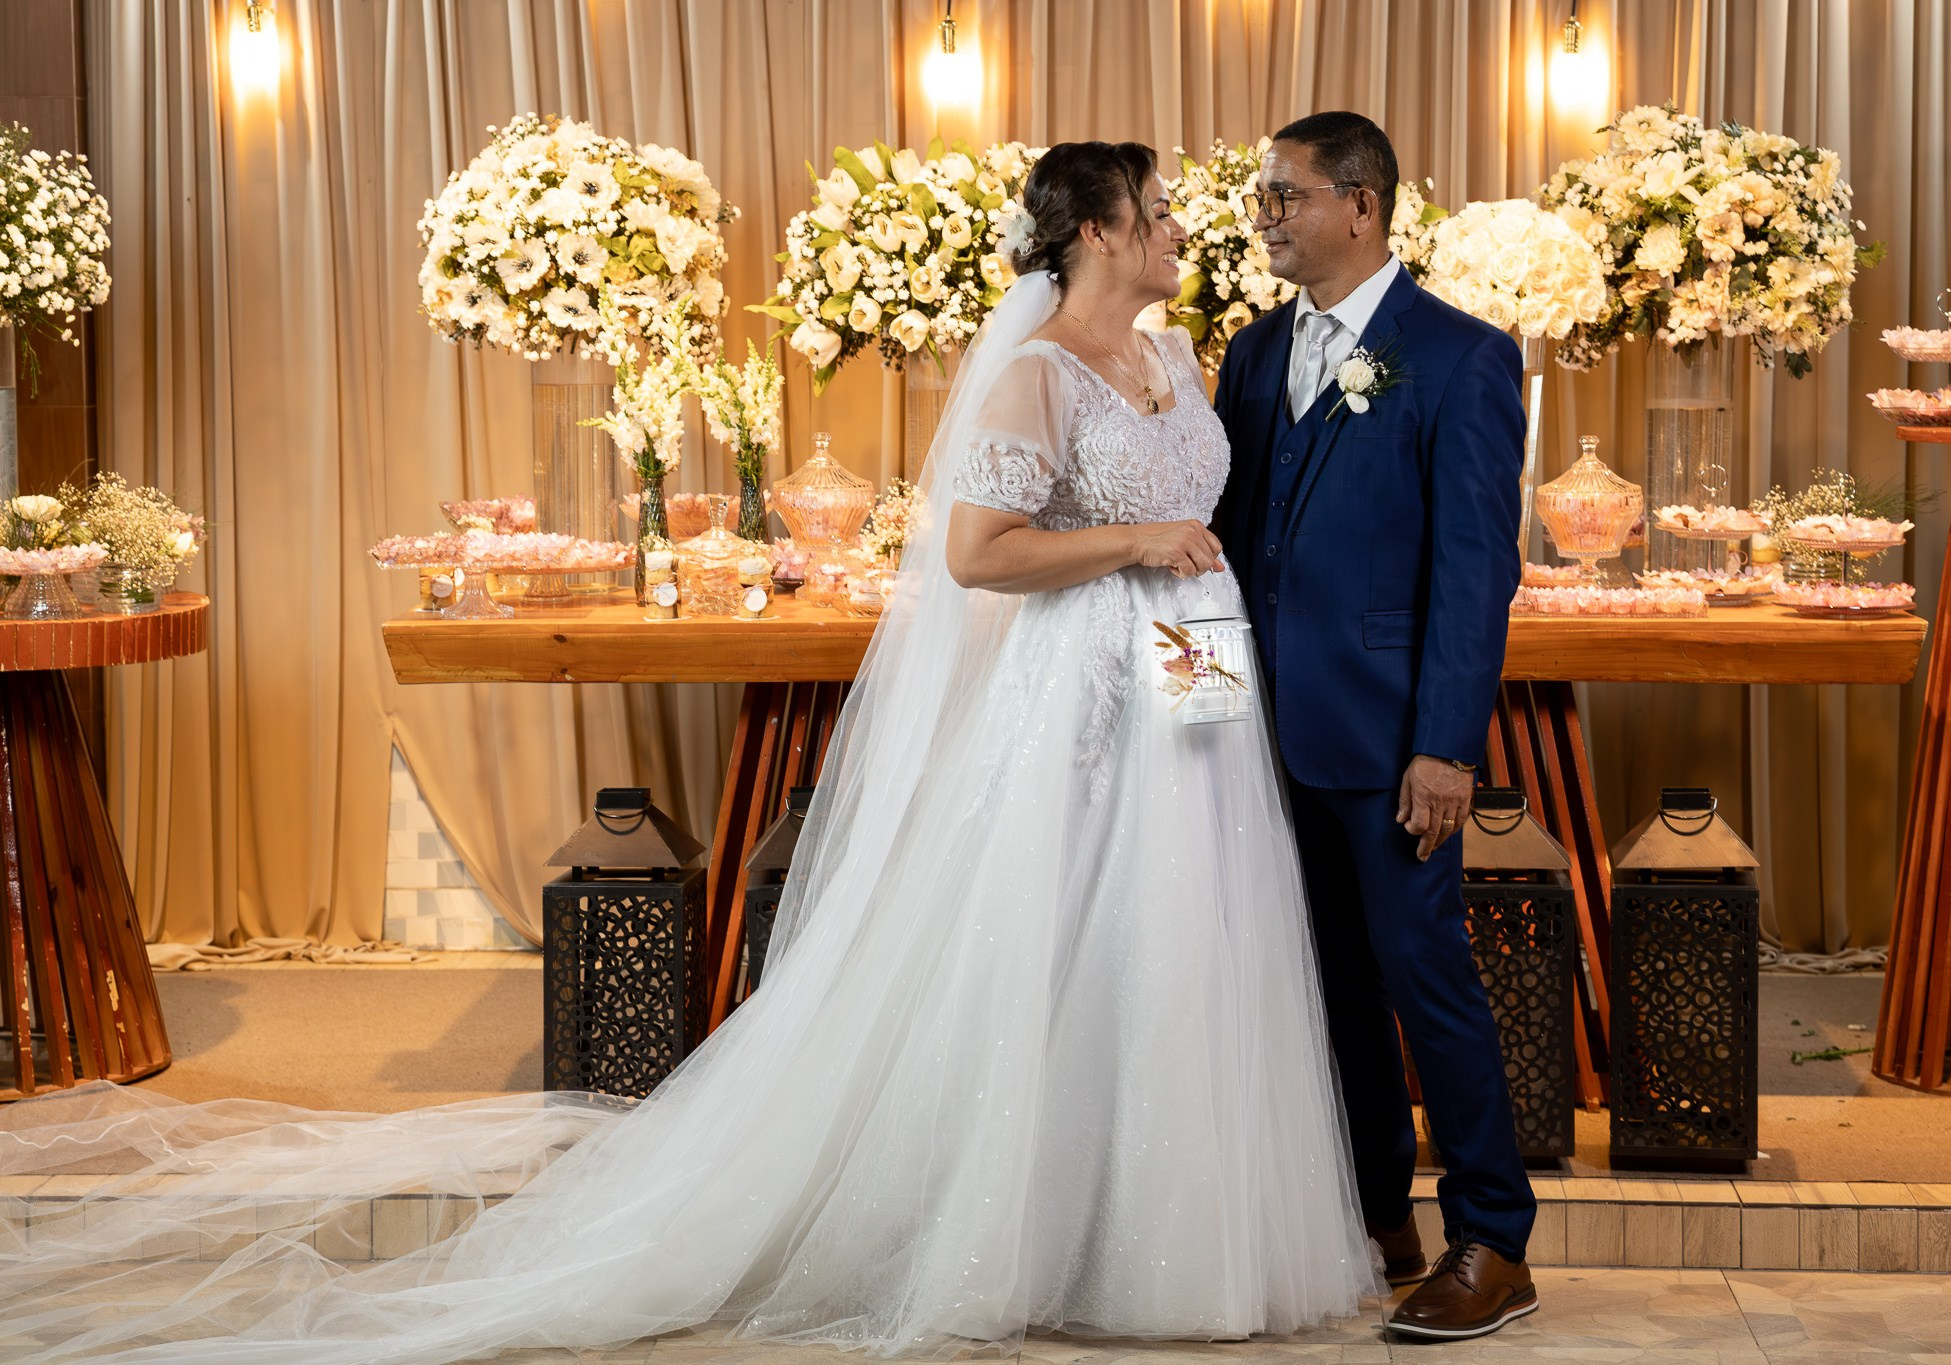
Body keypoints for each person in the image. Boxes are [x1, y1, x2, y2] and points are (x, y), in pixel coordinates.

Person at [0, 141, 1379, 1363]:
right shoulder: (1033, 374)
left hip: (1193, 681)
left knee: (1176, 944)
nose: (1182, 232)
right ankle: (1020, 1231)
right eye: (1154, 214)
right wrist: (1136, 542)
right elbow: (978, 553)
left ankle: (1160, 1228)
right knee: (1050, 945)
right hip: (1075, 690)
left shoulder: (1181, 356)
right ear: (1095, 234)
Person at [1210, 110, 1539, 1341]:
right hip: (1263, 736)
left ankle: (1492, 1239)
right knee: (1325, 981)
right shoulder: (1249, 357)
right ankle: (1371, 1209)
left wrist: (1445, 745)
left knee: (1422, 973)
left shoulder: (1459, 357)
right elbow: (1235, 550)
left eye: (1283, 197)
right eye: (1262, 199)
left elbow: (1472, 571)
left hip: (1397, 742)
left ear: (1360, 204)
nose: (1265, 218)